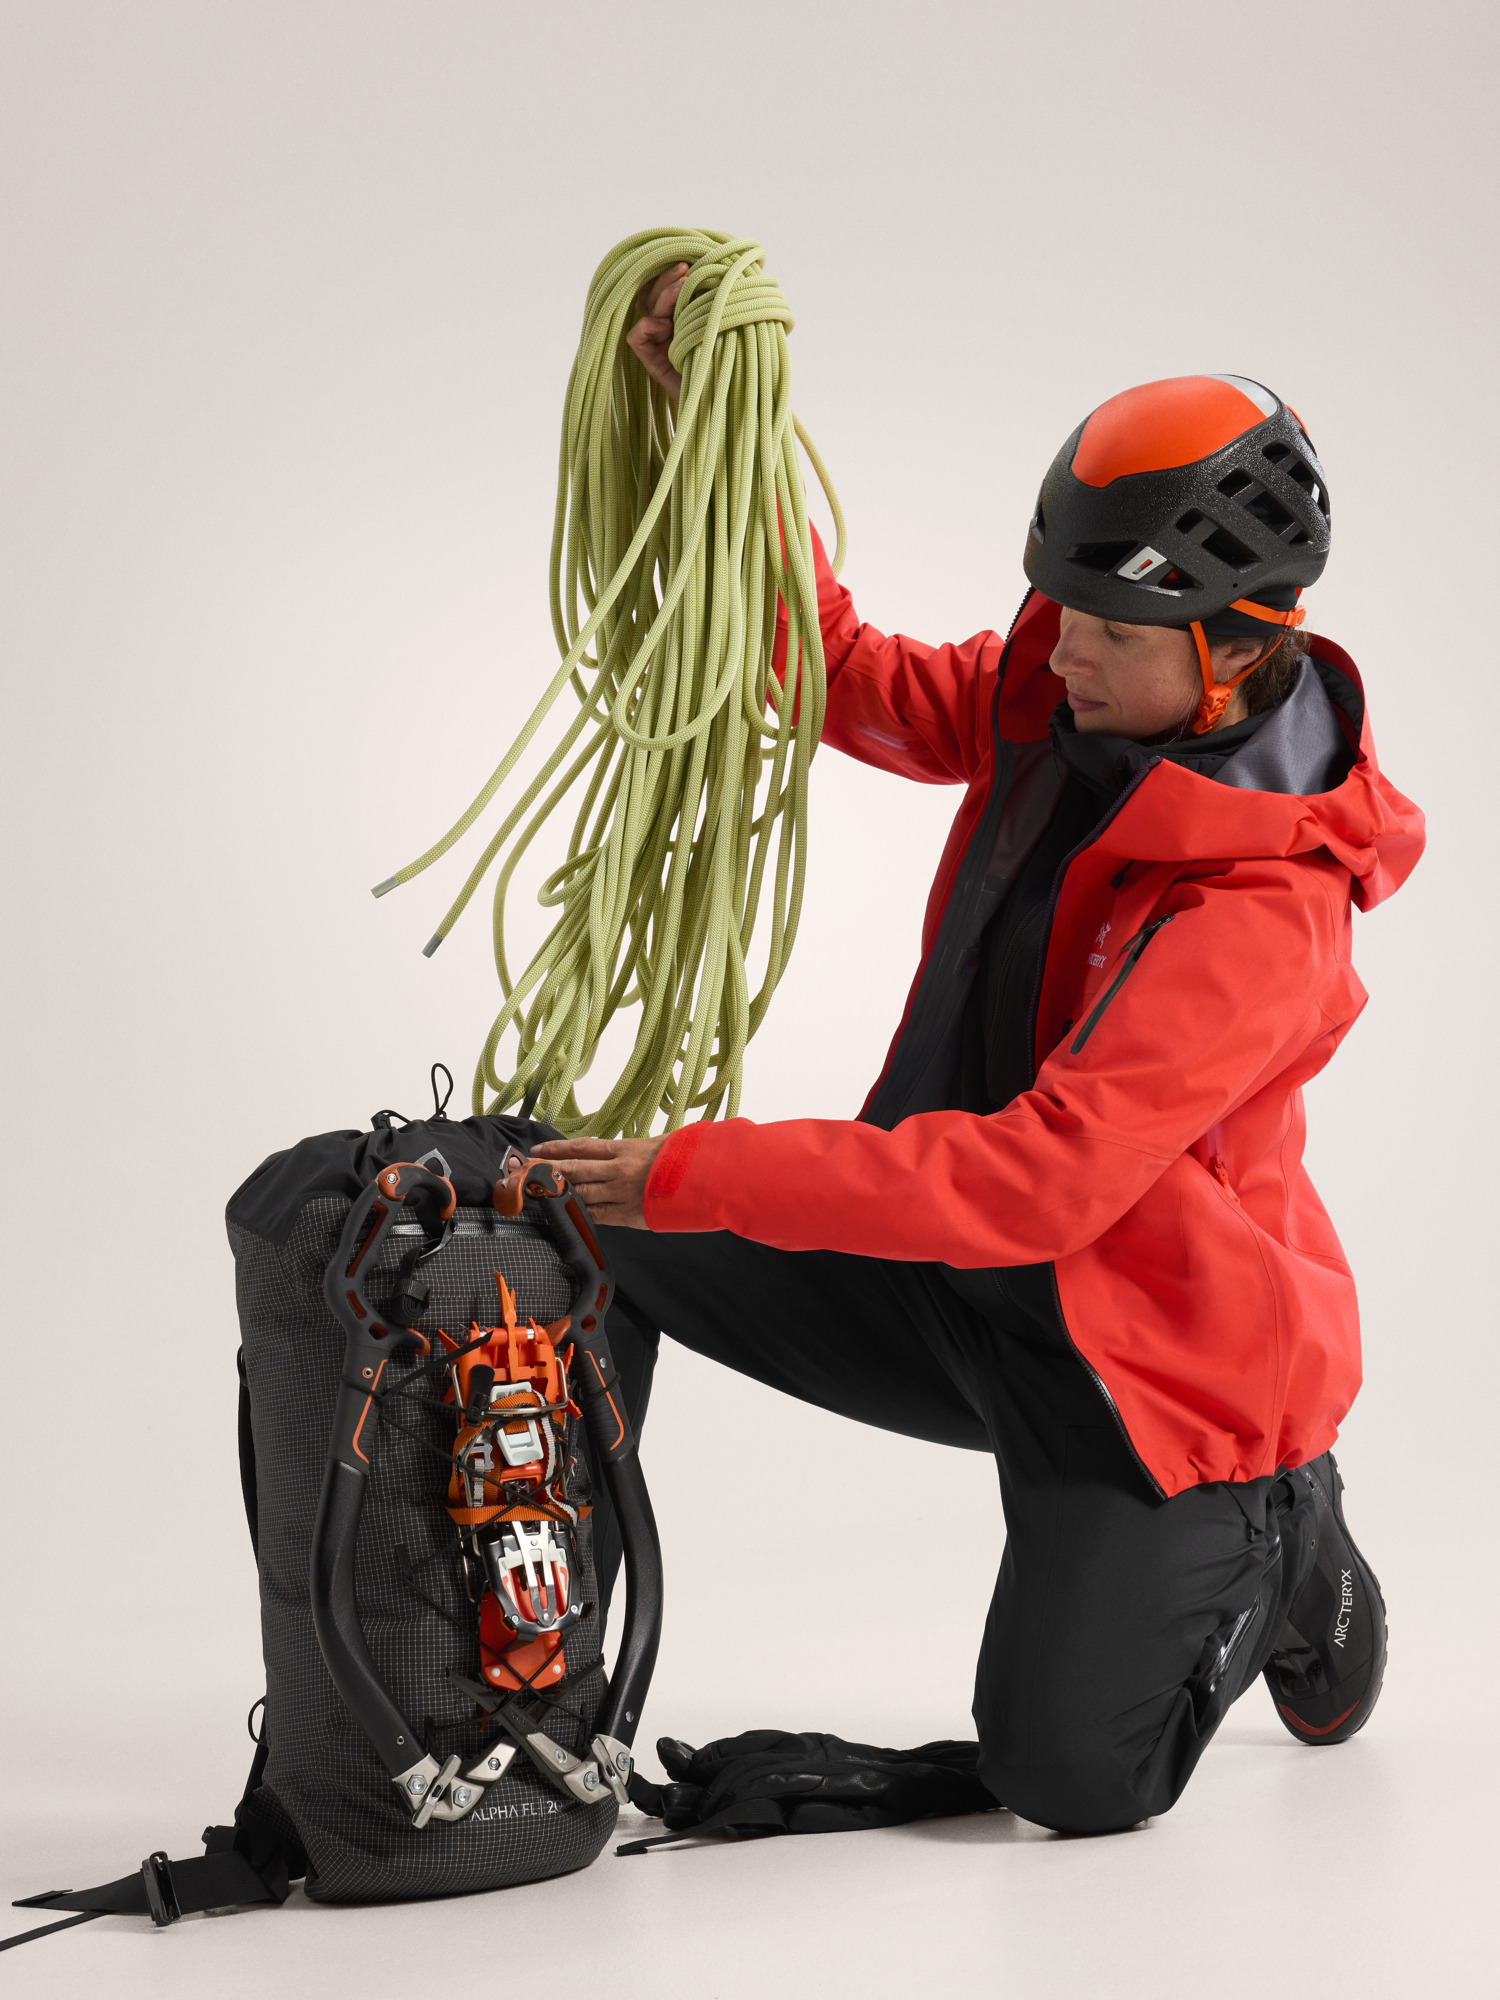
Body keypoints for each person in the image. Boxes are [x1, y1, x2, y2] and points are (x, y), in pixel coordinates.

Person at [534, 269, 1425, 1835]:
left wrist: (703, 1169)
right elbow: (842, 673)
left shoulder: (1263, 913)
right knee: (575, 1227)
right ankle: (532, 1696)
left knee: (1072, 1779)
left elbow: (1040, 1181)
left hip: (1145, 1371)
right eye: (1063, 609)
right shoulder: (1074, 694)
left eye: (1111, 630)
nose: (1063, 650)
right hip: (957, 1283)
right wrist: (721, 437)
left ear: (1234, 649)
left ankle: (1284, 1532)